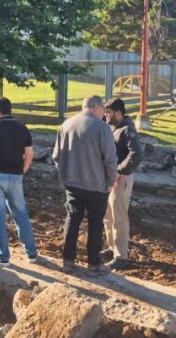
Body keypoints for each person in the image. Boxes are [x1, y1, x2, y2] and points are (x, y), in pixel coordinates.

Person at [52, 95, 117, 276]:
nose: (104, 113)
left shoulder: (66, 125)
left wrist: (67, 173)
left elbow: (57, 156)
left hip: (72, 184)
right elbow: (110, 159)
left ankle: (68, 262)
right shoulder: (102, 128)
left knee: (72, 220)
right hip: (96, 185)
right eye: (103, 109)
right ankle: (93, 265)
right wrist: (111, 181)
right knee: (95, 224)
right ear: (96, 107)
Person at [0, 97, 38, 266]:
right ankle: (31, 253)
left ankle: (3, 256)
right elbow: (30, 154)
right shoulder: (22, 128)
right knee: (21, 214)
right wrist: (21, 171)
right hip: (15, 176)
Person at [102, 98, 143, 270]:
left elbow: (136, 154)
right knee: (108, 216)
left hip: (121, 179)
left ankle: (121, 256)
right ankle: (112, 248)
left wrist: (119, 171)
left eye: (108, 113)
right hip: (111, 178)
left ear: (118, 113)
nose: (105, 116)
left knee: (119, 217)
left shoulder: (127, 130)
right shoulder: (112, 128)